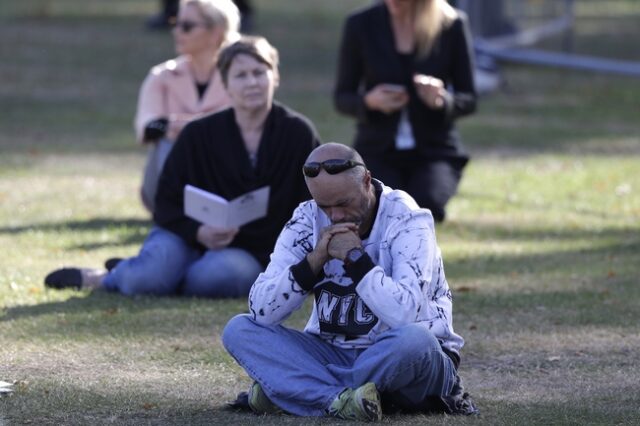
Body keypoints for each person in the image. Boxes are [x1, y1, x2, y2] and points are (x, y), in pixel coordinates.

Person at [44, 36, 320, 298]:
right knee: (146, 279)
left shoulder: (297, 132)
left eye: (259, 72)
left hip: (252, 251)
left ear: (275, 77)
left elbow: (311, 204)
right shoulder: (198, 134)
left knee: (222, 277)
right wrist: (199, 231)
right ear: (225, 83)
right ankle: (109, 278)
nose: (252, 83)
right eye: (240, 75)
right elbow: (166, 200)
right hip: (186, 235)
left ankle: (159, 274)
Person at [223, 143, 475, 420]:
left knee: (416, 340)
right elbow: (261, 311)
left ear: (367, 180)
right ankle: (339, 399)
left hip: (402, 356)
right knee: (239, 329)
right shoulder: (306, 220)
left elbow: (404, 315)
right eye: (325, 206)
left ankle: (292, 390)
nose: (335, 216)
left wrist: (356, 259)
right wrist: (313, 262)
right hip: (333, 352)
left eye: (343, 203)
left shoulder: (408, 220)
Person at [333, 0, 477, 222]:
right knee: (380, 207)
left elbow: (469, 98)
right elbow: (342, 97)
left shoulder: (451, 24)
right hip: (378, 148)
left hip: (434, 151)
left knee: (426, 205)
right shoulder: (360, 24)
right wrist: (369, 101)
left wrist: (441, 101)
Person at [137, 0, 240, 213]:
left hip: (222, 181)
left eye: (187, 26)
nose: (176, 31)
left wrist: (183, 125)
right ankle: (175, 212)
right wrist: (175, 128)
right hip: (163, 181)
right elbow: (147, 127)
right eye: (175, 23)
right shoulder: (161, 76)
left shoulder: (240, 78)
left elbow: (245, 129)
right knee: (167, 143)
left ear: (216, 33)